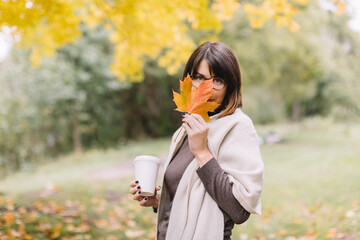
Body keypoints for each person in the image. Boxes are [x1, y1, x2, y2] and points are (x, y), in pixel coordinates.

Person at [129, 41, 264, 240]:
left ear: (230, 85)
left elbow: (239, 211)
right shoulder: (186, 129)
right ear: (187, 79)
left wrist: (202, 152)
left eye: (217, 80)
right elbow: (193, 200)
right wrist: (158, 201)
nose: (205, 88)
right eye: (199, 77)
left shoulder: (237, 126)